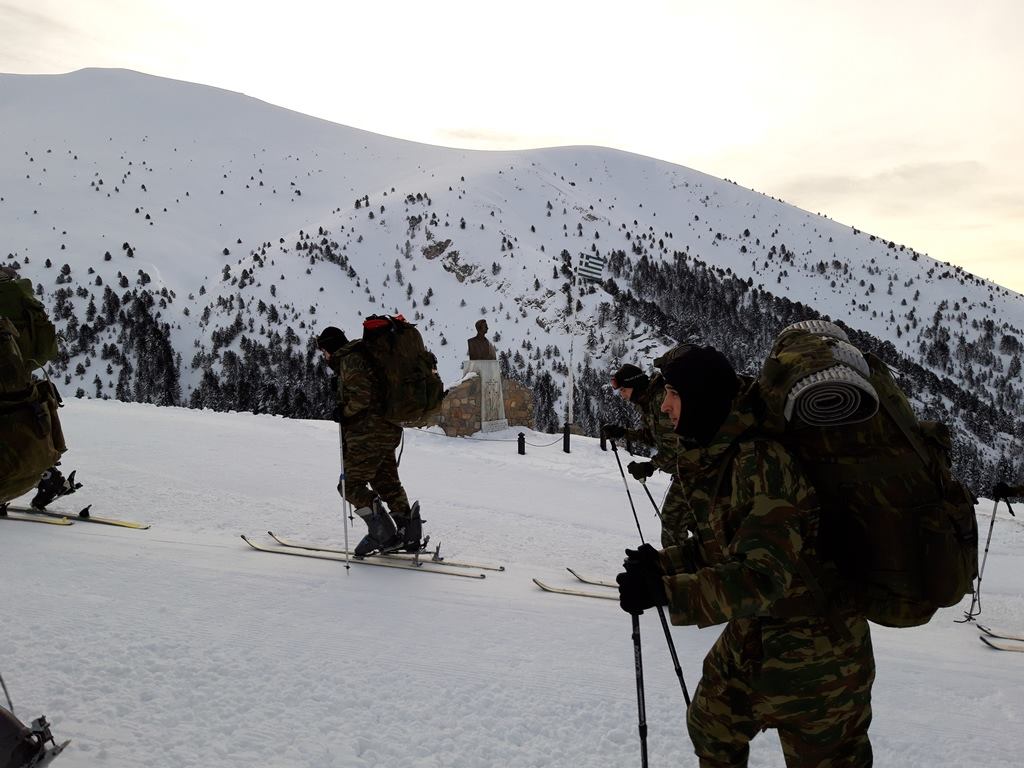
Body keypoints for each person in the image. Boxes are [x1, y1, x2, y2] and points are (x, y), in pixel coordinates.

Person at [616, 345, 874, 768]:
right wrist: (663, 563)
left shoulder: (763, 462)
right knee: (711, 723)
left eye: (674, 395)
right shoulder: (726, 451)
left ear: (700, 398)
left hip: (819, 654)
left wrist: (666, 592)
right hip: (759, 636)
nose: (664, 407)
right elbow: (732, 544)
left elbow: (761, 579)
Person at [317, 325, 421, 556]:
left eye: (324, 352)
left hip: (368, 435)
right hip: (388, 430)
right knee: (386, 484)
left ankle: (383, 534)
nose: (324, 357)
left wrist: (343, 413)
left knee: (350, 486)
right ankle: (410, 535)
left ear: (330, 348)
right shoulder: (365, 354)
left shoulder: (350, 360)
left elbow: (362, 396)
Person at [601, 363, 693, 546]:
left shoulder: (660, 400)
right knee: (694, 520)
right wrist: (623, 433)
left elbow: (676, 444)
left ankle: (679, 568)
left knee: (672, 522)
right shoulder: (647, 402)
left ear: (635, 386)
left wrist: (650, 466)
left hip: (694, 469)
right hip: (686, 469)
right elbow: (652, 437)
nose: (622, 395)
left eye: (624, 390)